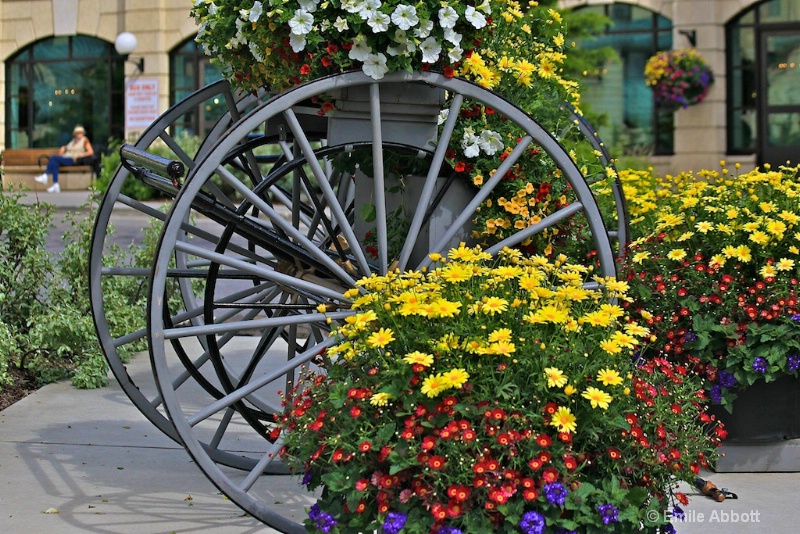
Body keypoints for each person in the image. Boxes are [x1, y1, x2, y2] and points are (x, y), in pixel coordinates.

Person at [34, 125, 94, 193]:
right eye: (77, 133)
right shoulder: (73, 141)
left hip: (73, 160)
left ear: (82, 133)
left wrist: (80, 155)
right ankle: (55, 184)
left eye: (80, 133)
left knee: (53, 157)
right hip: (66, 157)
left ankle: (45, 175)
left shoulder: (85, 140)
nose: (78, 135)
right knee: (54, 163)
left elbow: (91, 152)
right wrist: (63, 148)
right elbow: (66, 148)